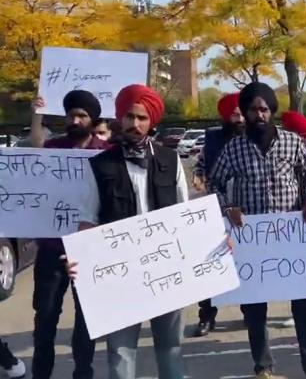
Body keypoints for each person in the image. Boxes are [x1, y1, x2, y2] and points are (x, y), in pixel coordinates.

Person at [208, 82, 306, 379]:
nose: (259, 114)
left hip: (290, 236)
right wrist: (228, 207)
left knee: (304, 307)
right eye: (253, 109)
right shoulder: (234, 148)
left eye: (264, 108)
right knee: (254, 310)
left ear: (272, 111)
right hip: (252, 239)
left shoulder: (291, 142)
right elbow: (215, 183)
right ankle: (263, 368)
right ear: (246, 113)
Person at [72, 84, 189, 379]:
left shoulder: (170, 160)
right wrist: (80, 259)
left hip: (167, 270)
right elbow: (88, 219)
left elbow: (186, 214)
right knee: (121, 355)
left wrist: (212, 242)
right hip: (120, 275)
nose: (134, 124)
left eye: (142, 118)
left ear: (152, 123)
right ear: (119, 119)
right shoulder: (99, 165)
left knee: (171, 348)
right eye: (129, 117)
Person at [29, 91, 108, 379]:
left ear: (93, 119)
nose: (75, 120)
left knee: (86, 322)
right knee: (46, 320)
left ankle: (83, 373)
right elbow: (34, 147)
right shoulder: (52, 148)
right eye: (71, 115)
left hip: (89, 253)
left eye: (82, 116)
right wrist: (35, 115)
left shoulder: (107, 154)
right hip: (51, 251)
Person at [191, 92, 245, 337]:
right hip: (215, 206)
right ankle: (206, 316)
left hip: (246, 208)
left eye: (243, 113)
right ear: (225, 116)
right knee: (210, 262)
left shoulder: (253, 135)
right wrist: (198, 174)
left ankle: (251, 312)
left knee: (247, 261)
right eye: (235, 114)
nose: (241, 118)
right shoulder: (212, 137)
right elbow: (201, 163)